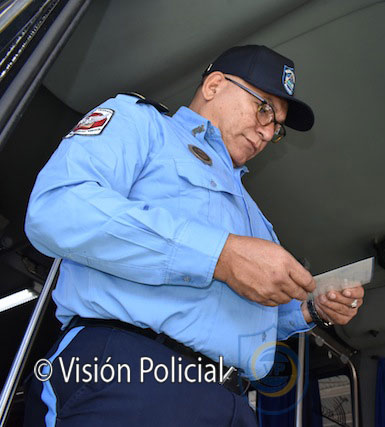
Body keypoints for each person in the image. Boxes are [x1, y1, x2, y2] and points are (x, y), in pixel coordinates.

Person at [23, 45, 364, 426]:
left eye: (277, 127)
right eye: (264, 109)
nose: (268, 132)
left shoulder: (254, 215)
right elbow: (57, 208)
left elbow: (241, 317)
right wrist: (221, 256)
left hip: (233, 400)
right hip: (131, 372)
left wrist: (309, 310)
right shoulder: (144, 124)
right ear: (214, 85)